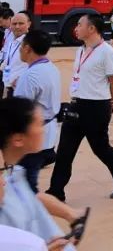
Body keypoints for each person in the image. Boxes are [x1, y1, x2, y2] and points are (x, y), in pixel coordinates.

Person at [46, 14, 113, 203]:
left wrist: (111, 100)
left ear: (92, 28)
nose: (76, 28)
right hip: (76, 103)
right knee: (65, 150)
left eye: (79, 25)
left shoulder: (107, 52)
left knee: (100, 147)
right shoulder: (80, 50)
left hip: (96, 107)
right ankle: (56, 191)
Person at [0, 97, 84, 251]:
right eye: (38, 124)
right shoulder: (3, 189)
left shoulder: (16, 175)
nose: (43, 129)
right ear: (18, 139)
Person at [12, 30, 61, 192]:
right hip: (48, 134)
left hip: (32, 139)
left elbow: (19, 111)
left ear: (27, 48)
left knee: (26, 188)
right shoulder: (51, 68)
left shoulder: (30, 75)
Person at [2, 12, 29, 98]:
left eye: (21, 23)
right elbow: (8, 61)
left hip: (22, 89)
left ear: (28, 24)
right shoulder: (12, 42)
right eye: (14, 24)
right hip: (10, 87)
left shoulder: (30, 43)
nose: (17, 26)